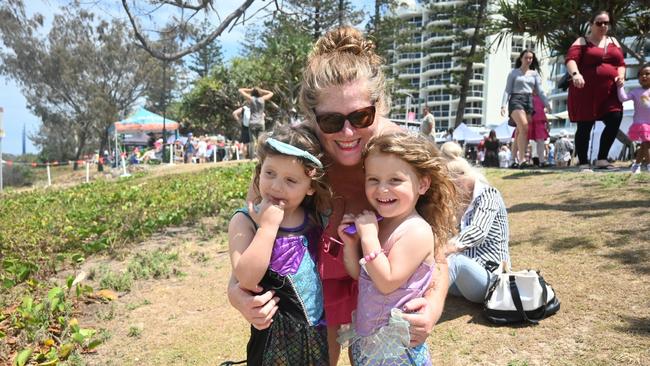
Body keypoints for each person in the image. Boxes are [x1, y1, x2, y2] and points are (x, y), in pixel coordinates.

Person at [227, 26, 449, 366]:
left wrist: (433, 306)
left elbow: (440, 249)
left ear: (379, 106)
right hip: (316, 287)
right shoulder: (292, 158)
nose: (347, 133)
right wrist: (236, 293)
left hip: (383, 289)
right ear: (311, 116)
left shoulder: (401, 154)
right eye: (331, 120)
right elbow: (255, 234)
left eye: (361, 116)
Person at [336, 133, 457, 365]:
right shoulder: (382, 222)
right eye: (373, 179)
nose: (382, 189)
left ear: (422, 184)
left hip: (396, 350)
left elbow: (387, 281)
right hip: (371, 341)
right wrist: (351, 246)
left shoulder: (416, 231)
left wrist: (369, 238)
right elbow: (361, 275)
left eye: (395, 180)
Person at [228, 124, 332, 365]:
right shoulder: (245, 221)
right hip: (272, 342)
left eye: (291, 180)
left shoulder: (314, 218)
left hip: (316, 336)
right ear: (259, 171)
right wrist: (267, 229)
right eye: (270, 173)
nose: (276, 187)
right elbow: (245, 278)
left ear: (310, 188)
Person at [439, 142, 511, 303]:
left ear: (461, 178)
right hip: (463, 282)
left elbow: (478, 230)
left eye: (449, 184)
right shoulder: (459, 202)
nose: (448, 190)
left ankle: (425, 310)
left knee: (454, 260)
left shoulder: (489, 194)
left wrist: (446, 248)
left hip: (491, 279)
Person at [566, 10, 626, 171]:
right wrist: (576, 74)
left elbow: (621, 63)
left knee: (615, 117)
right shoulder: (582, 41)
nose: (603, 26)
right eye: (599, 23)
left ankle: (602, 159)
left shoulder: (613, 41)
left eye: (606, 23)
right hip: (585, 91)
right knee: (585, 126)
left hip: (610, 91)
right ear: (591, 24)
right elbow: (571, 60)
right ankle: (583, 162)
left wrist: (621, 76)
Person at [501, 49, 551, 168]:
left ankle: (514, 160)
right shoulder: (513, 73)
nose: (529, 60)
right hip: (516, 99)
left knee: (521, 131)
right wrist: (503, 105)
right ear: (521, 58)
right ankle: (521, 160)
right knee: (523, 126)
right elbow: (507, 90)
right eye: (526, 58)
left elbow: (540, 91)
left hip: (529, 101)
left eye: (531, 58)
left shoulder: (534, 74)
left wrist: (547, 104)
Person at [617, 63, 650, 174]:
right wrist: (620, 86)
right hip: (641, 124)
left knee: (644, 146)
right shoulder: (636, 92)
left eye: (647, 74)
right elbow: (623, 98)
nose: (644, 76)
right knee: (647, 144)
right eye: (641, 75)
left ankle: (636, 166)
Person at [239, 87, 274, 157]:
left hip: (252, 123)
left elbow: (240, 90)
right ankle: (261, 156)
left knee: (252, 141)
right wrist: (261, 91)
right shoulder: (262, 99)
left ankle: (252, 157)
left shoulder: (251, 99)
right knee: (261, 140)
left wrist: (250, 90)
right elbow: (271, 93)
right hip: (261, 122)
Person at [530, 94, 550, 167]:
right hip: (530, 120)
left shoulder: (541, 97)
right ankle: (520, 161)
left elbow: (542, 111)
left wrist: (547, 122)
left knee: (540, 142)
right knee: (524, 141)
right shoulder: (528, 95)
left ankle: (541, 161)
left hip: (540, 121)